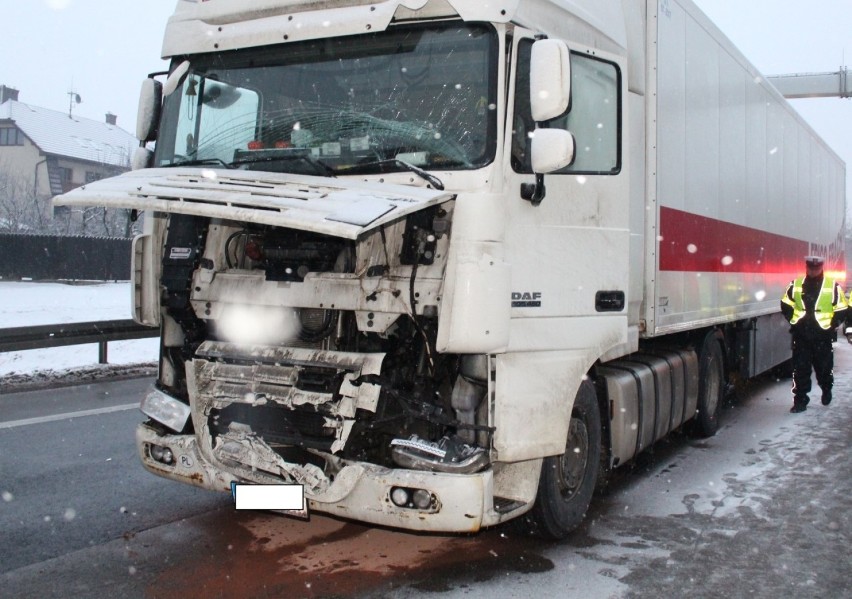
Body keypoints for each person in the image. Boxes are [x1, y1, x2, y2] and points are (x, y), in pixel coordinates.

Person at [780, 256, 848, 413]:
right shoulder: (796, 285)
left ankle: (826, 388)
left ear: (821, 268)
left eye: (816, 268)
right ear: (806, 267)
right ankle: (800, 401)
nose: (813, 270)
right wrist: (793, 321)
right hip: (801, 335)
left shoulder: (832, 286)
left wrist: (833, 324)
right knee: (800, 370)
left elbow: (841, 307)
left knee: (824, 368)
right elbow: (785, 303)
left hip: (822, 336)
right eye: (811, 268)